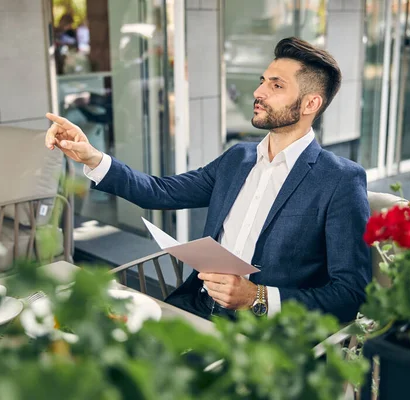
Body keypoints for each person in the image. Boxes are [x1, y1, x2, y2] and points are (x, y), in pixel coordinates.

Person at [45, 37, 371, 323]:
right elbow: (160, 192)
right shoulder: (237, 158)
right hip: (195, 306)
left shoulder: (340, 180)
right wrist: (92, 157)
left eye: (276, 85)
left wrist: (257, 297)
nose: (257, 92)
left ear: (311, 104)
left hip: (263, 334)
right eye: (262, 81)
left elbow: (350, 293)